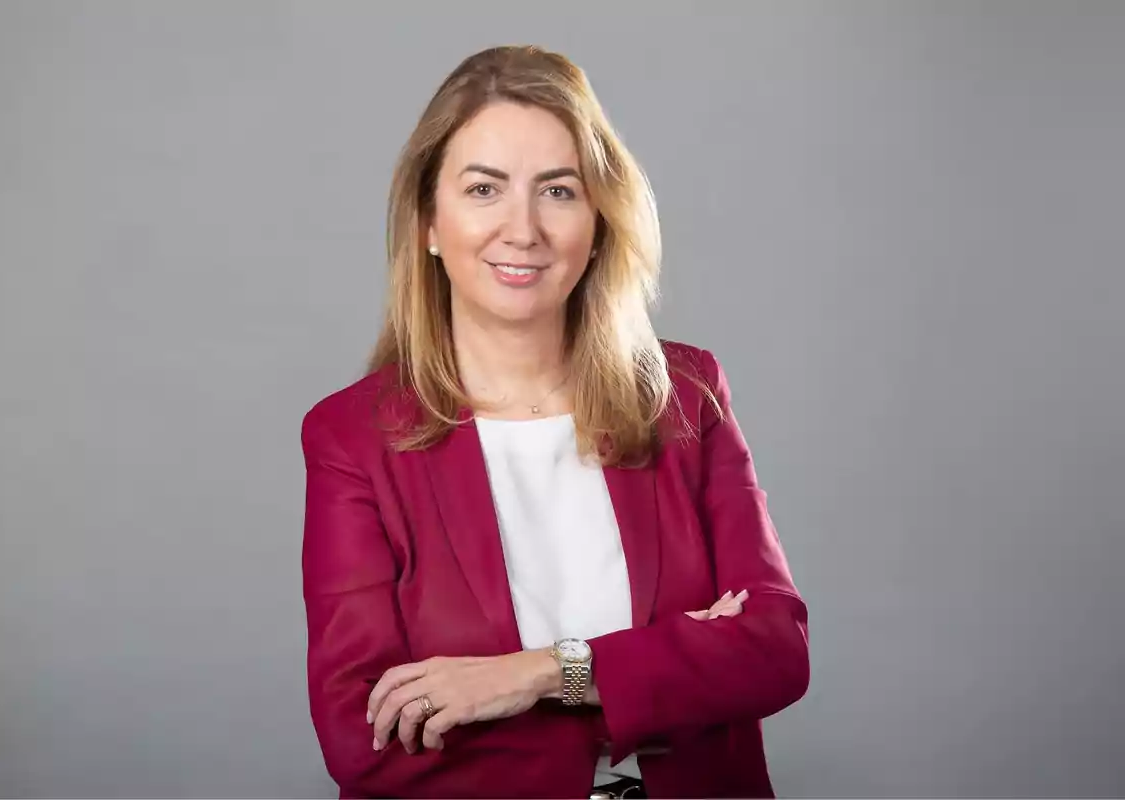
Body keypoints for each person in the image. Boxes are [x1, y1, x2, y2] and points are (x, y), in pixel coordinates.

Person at [300, 44, 810, 799]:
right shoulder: (353, 437)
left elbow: (772, 651)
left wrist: (534, 675)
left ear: (600, 220)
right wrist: (667, 666)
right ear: (427, 224)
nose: (523, 229)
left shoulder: (687, 395)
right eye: (483, 189)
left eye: (559, 191)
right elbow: (362, 735)